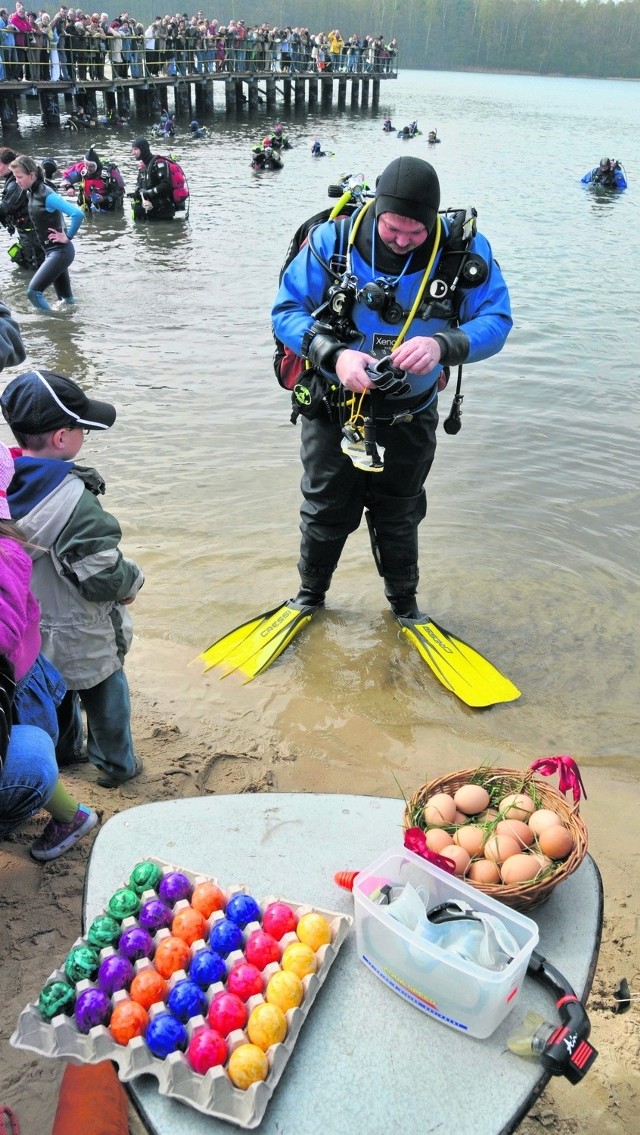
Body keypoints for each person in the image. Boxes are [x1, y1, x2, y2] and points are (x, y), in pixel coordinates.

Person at [268, 157, 511, 643]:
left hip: (410, 412)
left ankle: (405, 606)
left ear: (433, 222)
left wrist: (443, 345)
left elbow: (497, 321)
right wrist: (334, 357)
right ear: (377, 210)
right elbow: (285, 312)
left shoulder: (463, 252)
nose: (401, 240)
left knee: (400, 510)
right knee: (325, 507)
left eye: (414, 233)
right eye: (392, 229)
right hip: (334, 405)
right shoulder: (331, 243)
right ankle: (309, 596)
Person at [0, 369, 145, 788]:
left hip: (32, 633)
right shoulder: (74, 500)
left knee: (54, 697)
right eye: (81, 427)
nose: (85, 433)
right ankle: (117, 768)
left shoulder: (4, 483)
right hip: (85, 633)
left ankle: (65, 754)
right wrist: (133, 581)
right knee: (106, 701)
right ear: (62, 438)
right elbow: (101, 573)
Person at [0, 443, 99, 860]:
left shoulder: (5, 553)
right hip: (20, 675)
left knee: (37, 743)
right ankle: (65, 808)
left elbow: (4, 634)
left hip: (17, 682)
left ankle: (70, 816)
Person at [9, 154, 84, 311]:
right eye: (15, 177)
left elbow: (77, 214)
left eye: (19, 177)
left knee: (33, 292)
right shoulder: (30, 193)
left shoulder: (47, 195)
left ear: (31, 175)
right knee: (66, 300)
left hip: (60, 252)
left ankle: (52, 326)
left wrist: (67, 236)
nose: (17, 181)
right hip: (51, 252)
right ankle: (67, 329)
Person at [0, 146, 43, 271]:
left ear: (8, 164)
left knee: (34, 265)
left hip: (32, 232)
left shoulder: (15, 183)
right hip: (28, 230)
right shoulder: (16, 179)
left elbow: (5, 208)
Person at [130, 137, 176, 221]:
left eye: (135, 149)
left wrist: (148, 193)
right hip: (149, 213)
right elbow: (140, 185)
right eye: (132, 150)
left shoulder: (159, 163)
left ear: (143, 149)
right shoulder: (143, 167)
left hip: (163, 214)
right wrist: (138, 193)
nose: (133, 153)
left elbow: (166, 185)